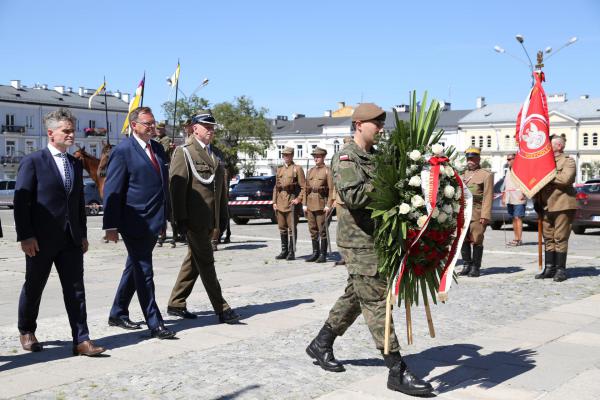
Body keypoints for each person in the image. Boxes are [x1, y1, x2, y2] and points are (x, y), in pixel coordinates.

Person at [306, 103, 433, 396]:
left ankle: (321, 343)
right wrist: (390, 183)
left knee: (357, 293)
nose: (380, 128)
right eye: (375, 123)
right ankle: (396, 369)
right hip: (358, 240)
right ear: (359, 124)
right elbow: (352, 195)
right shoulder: (347, 157)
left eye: (381, 123)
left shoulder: (375, 157)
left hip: (376, 238)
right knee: (377, 301)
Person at [14, 108, 105, 356]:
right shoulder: (33, 162)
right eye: (66, 130)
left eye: (73, 130)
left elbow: (77, 203)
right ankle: (27, 330)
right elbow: (22, 203)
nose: (72, 134)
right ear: (51, 133)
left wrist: (83, 234)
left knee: (76, 289)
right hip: (40, 240)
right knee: (34, 286)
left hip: (71, 239)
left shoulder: (75, 164)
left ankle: (81, 339)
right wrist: (26, 236)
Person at [103, 106, 176, 339]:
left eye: (153, 123)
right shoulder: (123, 150)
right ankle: (155, 322)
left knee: (133, 267)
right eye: (147, 123)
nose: (152, 127)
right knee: (144, 271)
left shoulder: (156, 148)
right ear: (134, 125)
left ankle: (118, 311)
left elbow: (162, 185)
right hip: (134, 221)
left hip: (155, 219)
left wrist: (167, 216)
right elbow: (113, 191)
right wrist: (111, 226)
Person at [166, 111, 239, 323]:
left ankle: (176, 302)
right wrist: (178, 219)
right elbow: (176, 188)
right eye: (206, 127)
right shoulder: (184, 152)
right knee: (206, 262)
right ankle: (222, 308)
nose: (211, 131)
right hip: (194, 219)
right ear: (194, 128)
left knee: (194, 261)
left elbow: (219, 189)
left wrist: (222, 218)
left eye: (212, 127)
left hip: (211, 219)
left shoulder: (213, 153)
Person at [535, 135, 577, 282]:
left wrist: (547, 174)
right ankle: (549, 268)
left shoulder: (568, 161)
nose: (546, 147)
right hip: (545, 205)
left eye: (550, 145)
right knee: (548, 238)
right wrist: (536, 199)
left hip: (562, 204)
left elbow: (566, 179)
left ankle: (560, 270)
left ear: (559, 146)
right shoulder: (543, 162)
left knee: (560, 237)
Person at [459, 146, 493, 278]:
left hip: (477, 212)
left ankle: (475, 267)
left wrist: (485, 215)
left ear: (478, 159)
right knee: (463, 239)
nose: (470, 161)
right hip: (463, 213)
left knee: (477, 239)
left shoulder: (486, 175)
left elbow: (488, 196)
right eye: (468, 158)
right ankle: (467, 264)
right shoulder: (462, 174)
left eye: (473, 158)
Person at [273, 147, 306, 260]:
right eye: (284, 155)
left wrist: (298, 199)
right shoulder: (279, 169)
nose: (285, 157)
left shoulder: (297, 169)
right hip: (280, 202)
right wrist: (274, 201)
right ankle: (284, 250)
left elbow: (304, 187)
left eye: (287, 155)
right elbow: (276, 187)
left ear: (292, 156)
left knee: (291, 228)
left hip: (291, 202)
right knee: (282, 228)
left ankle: (291, 251)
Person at [303, 147, 334, 263]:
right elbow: (305, 189)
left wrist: (328, 205)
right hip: (310, 203)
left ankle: (323, 254)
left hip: (321, 203)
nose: (316, 158)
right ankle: (315, 253)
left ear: (323, 157)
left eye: (318, 156)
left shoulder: (327, 171)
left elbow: (331, 190)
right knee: (312, 229)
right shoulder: (310, 171)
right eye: (314, 157)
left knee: (322, 229)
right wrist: (304, 204)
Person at [333, 136, 354, 267]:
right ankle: (343, 255)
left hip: (351, 200)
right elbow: (334, 180)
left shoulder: (354, 157)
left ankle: (351, 255)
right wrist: (333, 199)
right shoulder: (338, 158)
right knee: (341, 230)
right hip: (340, 200)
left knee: (352, 229)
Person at [502, 153, 526, 246]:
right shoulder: (508, 170)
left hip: (519, 196)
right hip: (509, 196)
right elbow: (506, 184)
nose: (508, 161)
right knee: (513, 218)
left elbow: (525, 182)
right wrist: (504, 196)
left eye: (510, 159)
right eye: (507, 159)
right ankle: (515, 238)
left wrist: (524, 193)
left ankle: (519, 239)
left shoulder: (521, 169)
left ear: (515, 159)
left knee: (518, 217)